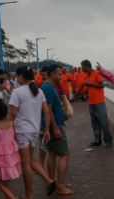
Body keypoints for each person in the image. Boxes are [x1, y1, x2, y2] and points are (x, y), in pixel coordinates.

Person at [8, 66, 56, 199]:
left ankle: (29, 194)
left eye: (17, 76)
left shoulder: (17, 92)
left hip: (22, 130)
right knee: (28, 159)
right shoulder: (39, 91)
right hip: (34, 130)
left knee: (25, 163)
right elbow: (46, 111)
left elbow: (12, 115)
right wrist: (46, 130)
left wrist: (2, 126)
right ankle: (48, 180)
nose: (17, 79)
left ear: (21, 77)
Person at [41, 64, 75, 195]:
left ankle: (52, 181)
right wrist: (54, 128)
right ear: (52, 74)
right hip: (56, 126)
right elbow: (48, 109)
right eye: (60, 74)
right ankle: (60, 186)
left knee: (52, 153)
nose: (62, 76)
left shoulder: (48, 87)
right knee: (64, 155)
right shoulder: (48, 88)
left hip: (53, 125)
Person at [71, 60, 113, 147]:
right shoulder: (85, 75)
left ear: (86, 66)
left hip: (99, 102)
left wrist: (90, 84)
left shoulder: (97, 73)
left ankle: (108, 141)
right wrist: (74, 96)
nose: (82, 69)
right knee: (94, 122)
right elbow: (82, 86)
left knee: (103, 122)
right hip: (91, 103)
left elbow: (102, 85)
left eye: (82, 67)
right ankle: (97, 140)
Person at [0, 99, 21, 199]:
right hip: (11, 156)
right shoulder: (11, 124)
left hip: (1, 157)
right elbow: (15, 139)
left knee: (0, 184)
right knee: (6, 181)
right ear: (7, 112)